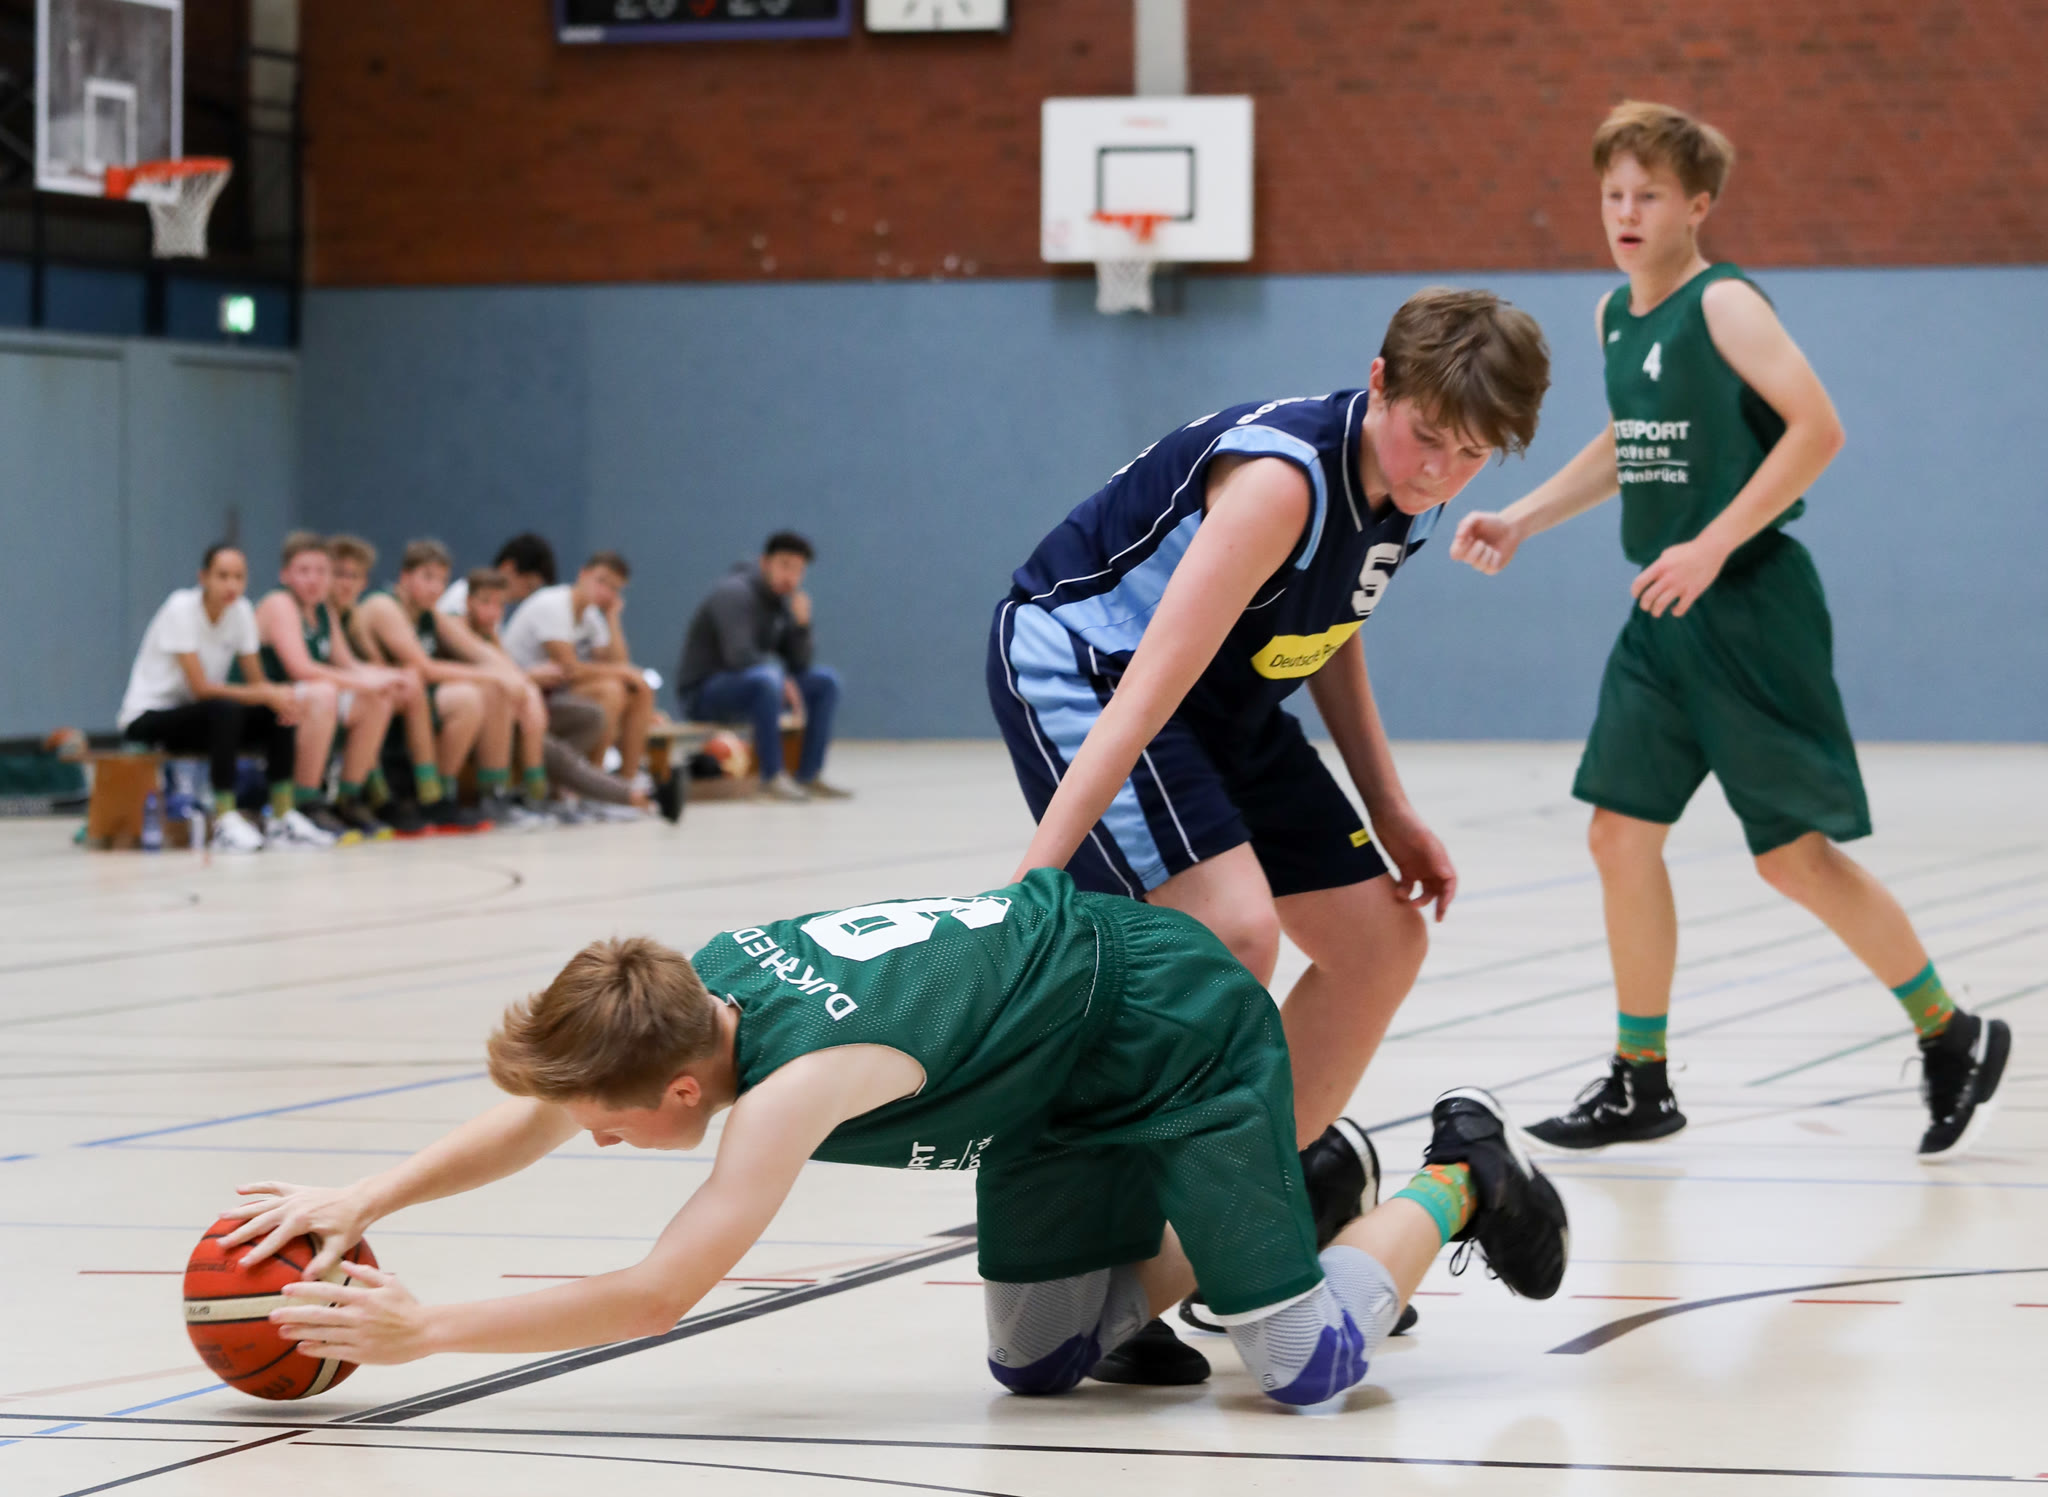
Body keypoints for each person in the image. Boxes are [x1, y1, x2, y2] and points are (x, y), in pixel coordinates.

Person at [223, 870, 1568, 1409]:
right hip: (1047, 1078)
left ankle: (1458, 1174)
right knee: (1039, 1366)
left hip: (1168, 1028)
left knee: (1300, 1367)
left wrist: (426, 1332)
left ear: (682, 1092)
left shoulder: (796, 1085)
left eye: (608, 1122)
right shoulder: (684, 992)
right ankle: (1293, 1198)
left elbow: (659, 1292)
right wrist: (367, 1194)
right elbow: (540, 1101)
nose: (592, 1137)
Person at [988, 289, 1550, 1374]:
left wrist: (1387, 804)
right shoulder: (1279, 482)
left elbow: (1331, 623)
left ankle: (1233, 1213)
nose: (1441, 471)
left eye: (1472, 456)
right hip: (1092, 667)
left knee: (1381, 943)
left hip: (1226, 694)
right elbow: (1144, 691)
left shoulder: (1406, 485)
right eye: (1428, 437)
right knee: (1231, 934)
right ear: (1378, 382)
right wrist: (1029, 887)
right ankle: (1133, 1249)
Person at [1449, 101, 2010, 1162]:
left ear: (1697, 205)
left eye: (1648, 195)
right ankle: (1640, 1078)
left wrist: (1711, 543)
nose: (1625, 213)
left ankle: (1950, 1030)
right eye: (1612, 194)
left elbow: (1818, 429)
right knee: (1618, 835)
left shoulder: (1725, 304)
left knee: (1792, 859)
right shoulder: (1617, 315)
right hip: (1662, 611)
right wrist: (1521, 517)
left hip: (1748, 603)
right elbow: (1631, 439)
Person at [117, 543, 310, 853]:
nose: (231, 585)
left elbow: (257, 682)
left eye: (238, 577)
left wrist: (278, 697)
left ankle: (282, 816)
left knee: (276, 711)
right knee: (225, 709)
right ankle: (224, 819)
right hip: (148, 718)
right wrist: (267, 692)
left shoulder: (242, 611)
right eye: (222, 576)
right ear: (203, 577)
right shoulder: (180, 608)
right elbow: (201, 688)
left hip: (202, 719)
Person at [348, 540, 544, 830]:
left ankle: (490, 794)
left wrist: (523, 684)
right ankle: (429, 794)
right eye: (427, 577)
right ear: (405, 576)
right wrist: (494, 676)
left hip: (407, 697)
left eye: (442, 580)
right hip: (378, 695)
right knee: (468, 697)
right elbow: (424, 668)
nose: (436, 587)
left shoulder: (430, 614)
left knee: (494, 691)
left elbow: (476, 651)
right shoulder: (384, 606)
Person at [443, 568, 667, 819]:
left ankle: (569, 790)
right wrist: (529, 679)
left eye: (500, 605)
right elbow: (560, 670)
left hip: (527, 711)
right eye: (485, 602)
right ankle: (627, 796)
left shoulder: (492, 634)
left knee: (591, 715)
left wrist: (613, 618)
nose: (493, 612)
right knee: (563, 739)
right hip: (496, 718)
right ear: (468, 603)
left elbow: (513, 676)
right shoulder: (456, 627)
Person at [235, 532, 409, 847]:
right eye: (304, 571)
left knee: (376, 698)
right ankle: (306, 801)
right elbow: (300, 669)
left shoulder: (322, 611)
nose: (314, 579)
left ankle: (349, 798)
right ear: (285, 575)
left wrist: (391, 676)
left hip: (295, 701)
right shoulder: (279, 603)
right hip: (256, 703)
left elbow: (348, 664)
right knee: (323, 693)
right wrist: (366, 681)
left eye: (321, 571)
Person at [501, 550, 681, 822]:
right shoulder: (553, 604)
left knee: (639, 689)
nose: (606, 592)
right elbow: (569, 669)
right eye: (602, 581)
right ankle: (595, 793)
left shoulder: (592, 616)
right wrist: (623, 671)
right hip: (527, 700)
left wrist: (613, 618)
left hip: (556, 699)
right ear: (582, 574)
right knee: (611, 690)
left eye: (615, 589)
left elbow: (619, 663)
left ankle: (626, 781)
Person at [677, 531, 847, 802]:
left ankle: (808, 775)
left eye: (799, 570)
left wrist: (802, 627)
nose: (791, 577)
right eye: (785, 565)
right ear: (765, 563)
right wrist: (781, 679)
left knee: (825, 682)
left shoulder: (781, 602)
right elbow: (738, 656)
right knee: (767, 679)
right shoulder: (734, 593)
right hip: (704, 693)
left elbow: (799, 664)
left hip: (758, 687)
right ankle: (771, 777)